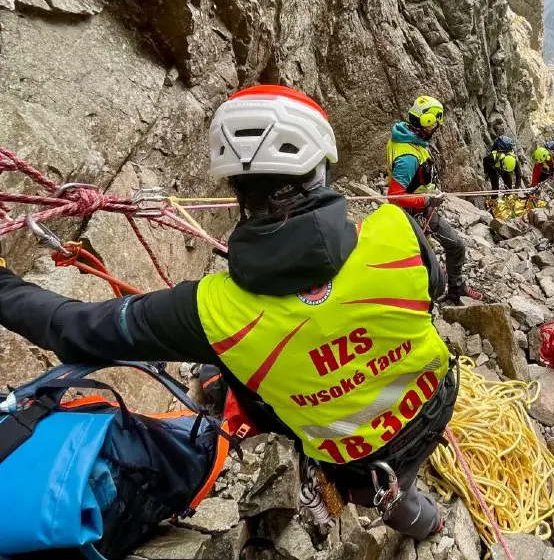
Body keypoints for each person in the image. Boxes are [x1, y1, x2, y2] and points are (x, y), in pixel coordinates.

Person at [0, 85, 456, 540]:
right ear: (321, 168)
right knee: (398, 473)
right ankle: (427, 520)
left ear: (236, 188)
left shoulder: (209, 310)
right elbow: (428, 294)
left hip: (353, 467)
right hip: (435, 406)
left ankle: (419, 517)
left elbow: (72, 328)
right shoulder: (396, 235)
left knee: (234, 371)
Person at [387, 95, 482, 303]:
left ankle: (447, 288)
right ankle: (443, 292)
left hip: (419, 208)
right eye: (434, 124)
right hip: (416, 212)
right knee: (455, 247)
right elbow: (394, 197)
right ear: (427, 122)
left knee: (428, 254)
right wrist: (428, 201)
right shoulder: (408, 157)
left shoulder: (407, 137)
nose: (436, 129)